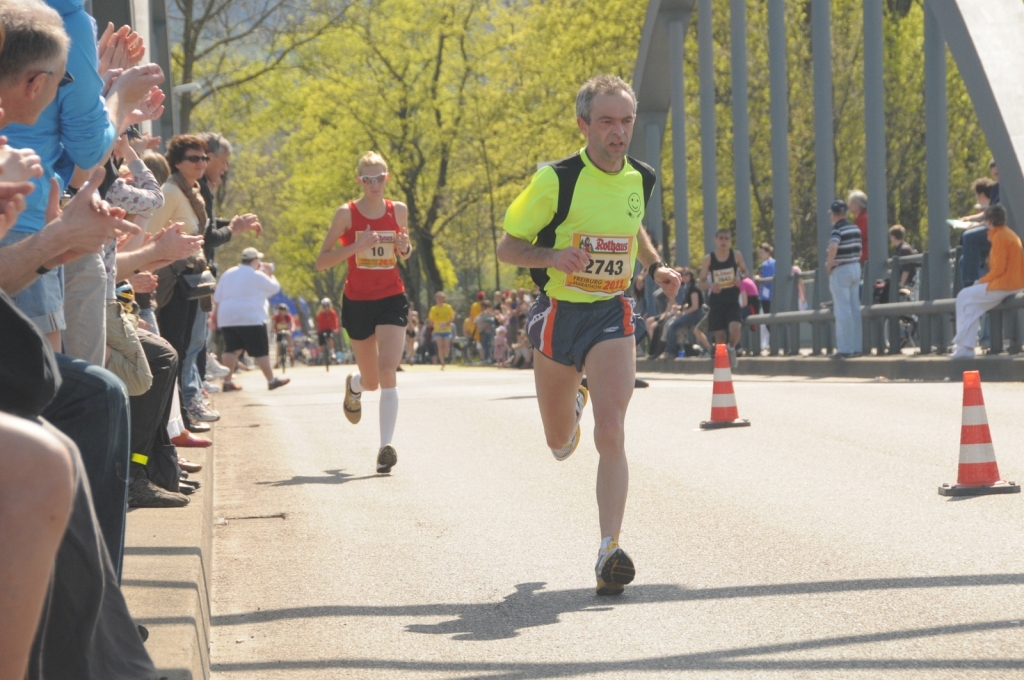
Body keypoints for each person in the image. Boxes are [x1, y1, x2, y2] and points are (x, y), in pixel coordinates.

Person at [497, 74, 681, 596]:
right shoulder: (556, 181)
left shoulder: (639, 177)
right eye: (606, 121)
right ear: (584, 125)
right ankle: (570, 407)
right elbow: (508, 248)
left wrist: (655, 267)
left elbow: (632, 225)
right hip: (559, 313)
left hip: (610, 313)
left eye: (625, 121)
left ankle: (609, 549)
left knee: (613, 430)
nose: (619, 132)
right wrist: (553, 256)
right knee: (559, 444)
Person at [314, 151, 412, 474]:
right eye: (367, 179)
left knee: (388, 370)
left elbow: (404, 253)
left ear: (387, 178)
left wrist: (404, 247)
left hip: (391, 297)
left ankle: (385, 447)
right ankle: (355, 385)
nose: (374, 184)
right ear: (359, 180)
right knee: (371, 381)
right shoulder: (347, 214)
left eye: (379, 177)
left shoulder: (398, 210)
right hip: (357, 301)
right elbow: (322, 261)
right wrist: (356, 247)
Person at [949, 206, 1024, 359]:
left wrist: (980, 281)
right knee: (972, 305)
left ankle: (963, 346)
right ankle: (965, 347)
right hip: (1013, 283)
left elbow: (998, 269)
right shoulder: (1006, 234)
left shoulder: (999, 237)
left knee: (963, 296)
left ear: (988, 221)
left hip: (1005, 284)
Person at [212, 247, 290, 390]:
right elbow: (274, 288)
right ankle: (271, 380)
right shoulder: (256, 275)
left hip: (228, 317)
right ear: (254, 261)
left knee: (231, 349)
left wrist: (214, 317)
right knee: (260, 350)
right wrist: (270, 274)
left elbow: (217, 298)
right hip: (251, 317)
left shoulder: (228, 273)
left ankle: (227, 383)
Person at [696, 228, 749, 369]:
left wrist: (740, 278)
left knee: (736, 329)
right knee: (719, 336)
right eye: (721, 238)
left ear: (730, 240)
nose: (723, 241)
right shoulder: (709, 259)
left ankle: (731, 349)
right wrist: (710, 285)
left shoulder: (736, 255)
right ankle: (723, 365)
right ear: (715, 240)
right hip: (717, 301)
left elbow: (746, 272)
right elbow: (700, 283)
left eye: (726, 238)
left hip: (732, 300)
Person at [826, 199, 863, 358]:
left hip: (841, 270)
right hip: (855, 266)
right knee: (855, 309)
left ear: (834, 214)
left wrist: (830, 263)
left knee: (842, 310)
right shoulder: (855, 228)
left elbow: (834, 246)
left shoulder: (837, 229)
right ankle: (856, 347)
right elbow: (860, 250)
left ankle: (845, 349)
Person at [958, 177, 997, 288]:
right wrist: (970, 218)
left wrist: (976, 225)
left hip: (997, 234)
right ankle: (982, 284)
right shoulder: (992, 201)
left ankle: (971, 284)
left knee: (969, 236)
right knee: (963, 261)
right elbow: (986, 214)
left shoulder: (997, 196)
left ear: (981, 195)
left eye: (976, 195)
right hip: (991, 235)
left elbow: (991, 219)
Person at [659, 267, 704, 360]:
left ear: (691, 276)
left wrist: (682, 313)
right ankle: (668, 349)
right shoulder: (687, 288)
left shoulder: (693, 288)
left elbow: (695, 307)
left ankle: (671, 352)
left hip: (696, 314)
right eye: (682, 275)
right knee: (668, 323)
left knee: (673, 326)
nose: (684, 276)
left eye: (687, 274)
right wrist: (678, 308)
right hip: (690, 313)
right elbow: (687, 304)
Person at [428, 290, 455, 369]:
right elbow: (431, 319)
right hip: (438, 331)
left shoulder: (448, 307)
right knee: (439, 347)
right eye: (438, 298)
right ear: (436, 299)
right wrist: (432, 323)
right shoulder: (433, 309)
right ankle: (442, 364)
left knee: (446, 348)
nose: (440, 299)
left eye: (442, 298)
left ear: (444, 299)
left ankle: (446, 356)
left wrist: (449, 322)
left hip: (446, 330)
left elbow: (452, 316)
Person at [847, 189, 868, 265]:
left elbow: (857, 238)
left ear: (858, 204)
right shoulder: (863, 218)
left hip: (865, 259)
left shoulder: (864, 219)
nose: (848, 205)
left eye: (851, 202)